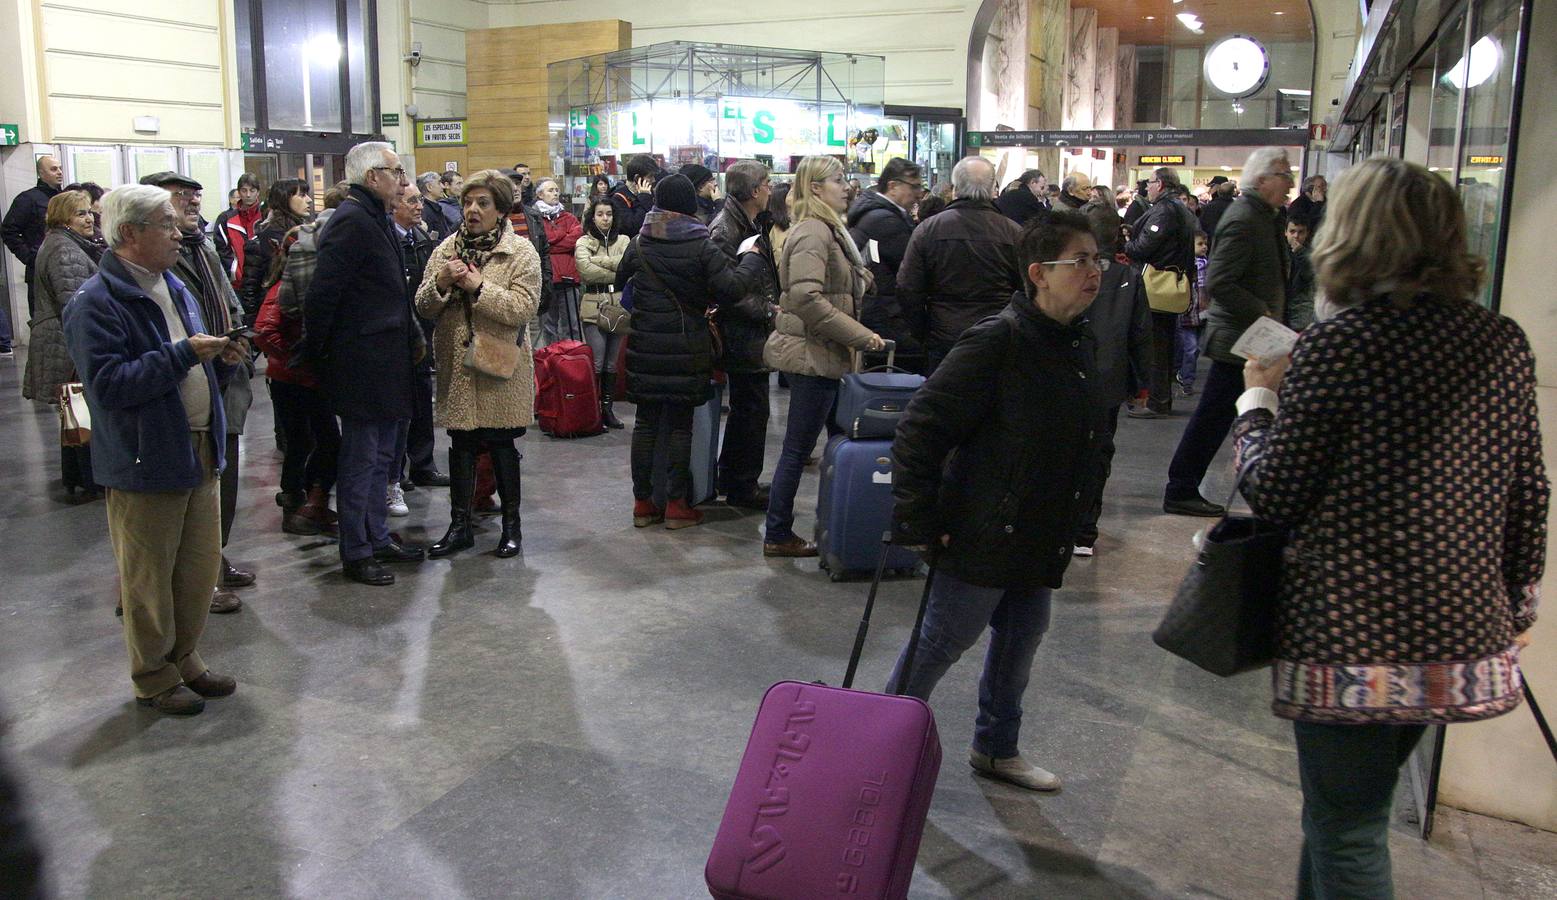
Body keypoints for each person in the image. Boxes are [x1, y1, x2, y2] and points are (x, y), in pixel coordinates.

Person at [1231, 156, 1547, 898]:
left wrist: (1253, 408)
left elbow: (1273, 493)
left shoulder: (1339, 346)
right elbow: (1527, 490)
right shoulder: (1498, 341)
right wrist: (1518, 603)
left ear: (1352, 234)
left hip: (1352, 636)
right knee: (1342, 816)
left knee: (1347, 829)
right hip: (1457, 629)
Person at [886, 209, 1105, 792]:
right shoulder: (997, 339)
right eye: (1079, 261)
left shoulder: (1075, 341)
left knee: (1021, 640)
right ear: (1038, 272)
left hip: (1040, 529)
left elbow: (1087, 439)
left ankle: (996, 747)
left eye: (1097, 260)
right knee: (941, 642)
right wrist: (920, 518)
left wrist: (1083, 517)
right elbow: (920, 428)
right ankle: (880, 744)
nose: (1094, 272)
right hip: (982, 527)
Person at [61, 184, 247, 715]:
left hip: (199, 449)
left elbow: (189, 359)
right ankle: (152, 675)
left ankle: (184, 657)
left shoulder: (174, 285)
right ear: (129, 234)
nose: (178, 231)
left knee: (196, 570)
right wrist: (183, 353)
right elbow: (111, 386)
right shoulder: (94, 303)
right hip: (147, 457)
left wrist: (222, 357)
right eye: (165, 224)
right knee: (148, 578)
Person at [302, 141, 427, 586]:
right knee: (363, 460)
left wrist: (412, 336)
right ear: (372, 176)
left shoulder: (376, 219)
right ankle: (356, 550)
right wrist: (319, 357)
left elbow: (392, 290)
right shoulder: (351, 221)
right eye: (396, 172)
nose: (403, 181)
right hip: (363, 363)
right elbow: (324, 295)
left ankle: (376, 538)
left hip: (388, 359)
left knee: (384, 459)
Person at [620, 174, 766, 530]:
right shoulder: (700, 243)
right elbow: (731, 289)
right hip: (686, 346)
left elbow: (620, 280)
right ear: (688, 203)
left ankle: (642, 504)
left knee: (645, 424)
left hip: (644, 344)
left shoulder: (640, 241)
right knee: (680, 427)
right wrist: (751, 259)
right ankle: (675, 505)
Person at [761, 156, 887, 555]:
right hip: (815, 357)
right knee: (798, 449)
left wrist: (861, 280)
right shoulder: (815, 231)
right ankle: (778, 533)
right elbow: (806, 298)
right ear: (815, 187)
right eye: (837, 180)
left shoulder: (831, 230)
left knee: (835, 441)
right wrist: (861, 336)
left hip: (829, 356)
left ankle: (840, 524)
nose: (846, 186)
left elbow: (830, 288)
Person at [142, 171, 256, 613]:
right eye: (179, 196)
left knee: (221, 477)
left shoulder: (201, 244)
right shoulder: (153, 261)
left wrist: (239, 341)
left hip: (223, 375)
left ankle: (213, 557)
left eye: (194, 194)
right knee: (189, 485)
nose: (191, 202)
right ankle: (193, 575)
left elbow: (227, 298)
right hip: (184, 382)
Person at [415, 170, 541, 559]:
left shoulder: (519, 252)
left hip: (500, 363)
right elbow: (423, 304)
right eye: (468, 202)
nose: (472, 210)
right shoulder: (446, 249)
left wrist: (478, 288)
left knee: (502, 444)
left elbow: (523, 307)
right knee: (461, 444)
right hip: (458, 364)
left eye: (483, 203)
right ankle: (460, 526)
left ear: (501, 210)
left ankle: (511, 527)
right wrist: (440, 282)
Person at [1163, 147, 1293, 517]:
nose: (1290, 184)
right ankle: (1182, 488)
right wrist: (1263, 310)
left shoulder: (1263, 216)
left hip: (1254, 338)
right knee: (1213, 417)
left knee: (1224, 415)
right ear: (1262, 179)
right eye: (1284, 175)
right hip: (1239, 340)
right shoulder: (1245, 218)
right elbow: (1220, 280)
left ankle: (1201, 486)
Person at [263, 183, 347, 537]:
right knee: (310, 443)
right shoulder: (282, 286)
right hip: (293, 380)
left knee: (311, 442)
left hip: (304, 377)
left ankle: (309, 502)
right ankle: (302, 503)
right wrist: (297, 357)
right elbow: (266, 330)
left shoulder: (300, 280)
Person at [1071, 207, 1150, 558]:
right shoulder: (1129, 277)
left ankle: (1058, 523)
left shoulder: (1067, 273)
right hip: (1109, 379)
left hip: (1068, 375)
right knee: (1099, 452)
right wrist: (1141, 386)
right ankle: (1085, 531)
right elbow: (1140, 334)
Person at [897, 156, 1023, 374]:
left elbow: (907, 287)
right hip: (998, 334)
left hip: (944, 335)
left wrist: (924, 331)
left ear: (955, 188)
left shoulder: (928, 230)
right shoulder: (1013, 232)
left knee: (942, 403)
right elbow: (1027, 288)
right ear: (993, 188)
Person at [708, 160, 780, 508]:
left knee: (749, 411)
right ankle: (741, 486)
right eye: (767, 183)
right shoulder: (726, 229)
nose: (771, 188)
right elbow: (727, 291)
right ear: (754, 190)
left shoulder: (748, 223)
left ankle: (736, 479)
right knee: (751, 411)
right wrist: (768, 310)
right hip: (741, 335)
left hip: (751, 334)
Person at [25, 190, 103, 498]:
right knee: (80, 411)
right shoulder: (65, 250)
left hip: (58, 339)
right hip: (65, 343)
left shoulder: (61, 243)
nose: (89, 218)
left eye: (89, 212)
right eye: (80, 213)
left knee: (73, 413)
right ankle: (90, 478)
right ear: (63, 219)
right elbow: (72, 301)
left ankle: (77, 476)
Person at [389, 182, 446, 517]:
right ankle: (396, 473)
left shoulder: (422, 239)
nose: (418, 207)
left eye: (419, 202)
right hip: (396, 335)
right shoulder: (388, 239)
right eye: (411, 201)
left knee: (423, 399)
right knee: (399, 407)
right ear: (396, 205)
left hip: (421, 331)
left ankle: (423, 464)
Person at [1123, 169, 1197, 418]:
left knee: (1155, 346)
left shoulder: (1165, 211)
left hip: (1156, 286)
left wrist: (1127, 244)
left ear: (1162, 184)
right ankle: (1160, 399)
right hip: (1171, 284)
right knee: (1164, 344)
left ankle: (1156, 401)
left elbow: (1144, 246)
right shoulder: (1181, 209)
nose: (1146, 188)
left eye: (1150, 182)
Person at [847, 157, 926, 368]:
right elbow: (912, 270)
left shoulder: (872, 215)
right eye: (914, 186)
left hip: (877, 313)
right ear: (893, 186)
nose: (919, 193)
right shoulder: (886, 221)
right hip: (889, 316)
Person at [575, 197, 630, 429]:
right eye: (600, 214)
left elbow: (627, 267)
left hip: (618, 306)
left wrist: (600, 261)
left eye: (608, 214)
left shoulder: (625, 240)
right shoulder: (583, 242)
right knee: (597, 362)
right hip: (593, 306)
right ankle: (593, 411)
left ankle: (607, 409)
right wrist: (613, 266)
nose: (605, 218)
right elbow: (586, 271)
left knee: (611, 364)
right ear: (592, 216)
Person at [1, 155, 65, 353]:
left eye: (60, 168)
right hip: (39, 274)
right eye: (54, 169)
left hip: (64, 269)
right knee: (44, 324)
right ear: (41, 173)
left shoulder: (64, 199)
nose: (59, 172)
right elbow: (9, 230)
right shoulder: (28, 199)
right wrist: (29, 257)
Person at [239, 179, 309, 320]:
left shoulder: (302, 233)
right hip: (275, 319)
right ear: (285, 199)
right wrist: (252, 330)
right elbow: (250, 289)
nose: (309, 200)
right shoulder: (266, 238)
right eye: (302, 195)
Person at [534, 178, 584, 344]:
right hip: (547, 280)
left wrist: (551, 242)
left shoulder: (568, 217)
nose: (555, 193)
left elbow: (576, 239)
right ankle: (552, 361)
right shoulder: (534, 218)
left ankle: (574, 358)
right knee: (549, 326)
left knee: (573, 325)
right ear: (540, 195)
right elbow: (541, 243)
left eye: (556, 190)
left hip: (569, 279)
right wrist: (562, 235)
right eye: (550, 190)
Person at [1175, 230, 1211, 395]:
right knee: (1191, 347)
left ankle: (1185, 375)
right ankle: (1186, 378)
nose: (1204, 247)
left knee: (1194, 348)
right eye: (1200, 244)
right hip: (1188, 312)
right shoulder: (1187, 265)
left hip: (1201, 313)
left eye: (1205, 244)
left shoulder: (1206, 263)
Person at [214, 172, 262, 288]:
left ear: (258, 192)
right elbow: (222, 250)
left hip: (263, 281)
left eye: (252, 190)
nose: (248, 195)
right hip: (238, 284)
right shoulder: (226, 219)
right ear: (239, 192)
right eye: (244, 191)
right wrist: (234, 272)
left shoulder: (266, 216)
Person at [609, 154, 659, 239]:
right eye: (650, 176)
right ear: (637, 178)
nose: (653, 180)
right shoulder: (618, 198)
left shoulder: (650, 193)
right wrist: (644, 197)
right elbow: (633, 228)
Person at [1284, 217, 1316, 331]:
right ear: (1286, 232)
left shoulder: (1311, 253)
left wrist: (1300, 252)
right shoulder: (1279, 252)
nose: (1296, 236)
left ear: (1307, 233)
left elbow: (1310, 274)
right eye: (1292, 231)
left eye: (1301, 232)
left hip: (1301, 314)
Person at [1199, 179, 1238, 247]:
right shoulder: (1238, 208)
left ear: (1218, 192)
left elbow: (1202, 226)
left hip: (1211, 244)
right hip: (1232, 244)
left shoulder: (1207, 208)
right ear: (1232, 193)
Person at [416, 172, 454, 239]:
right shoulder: (424, 210)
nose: (443, 186)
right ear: (429, 187)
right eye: (439, 183)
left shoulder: (436, 208)